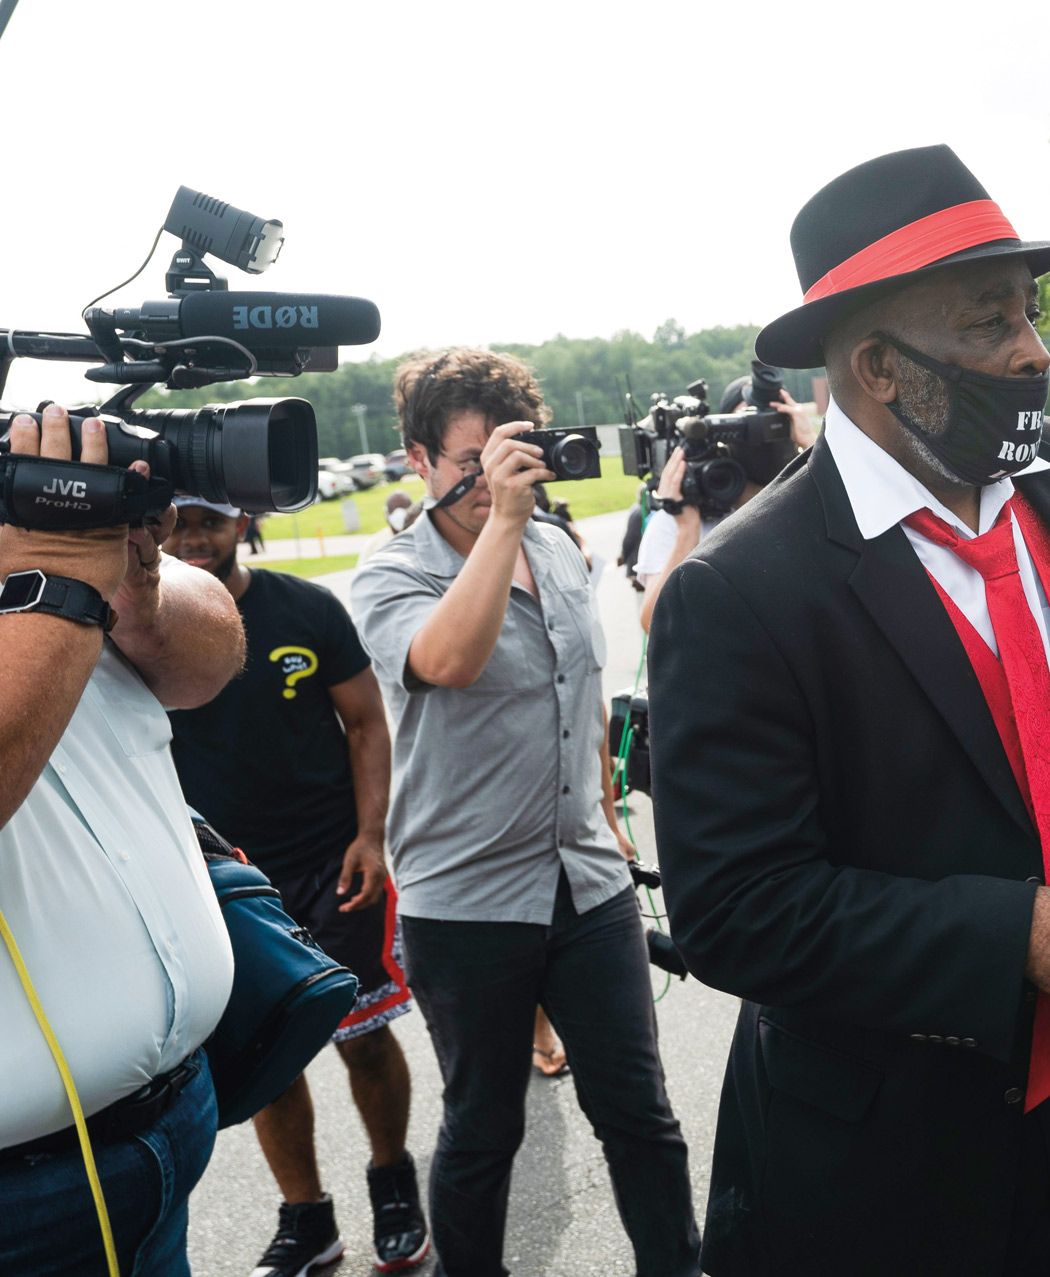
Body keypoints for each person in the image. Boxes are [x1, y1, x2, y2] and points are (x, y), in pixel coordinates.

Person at [649, 144, 1050, 1277]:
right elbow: (736, 907)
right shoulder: (740, 591)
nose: (1034, 353)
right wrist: (1022, 932)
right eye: (990, 324)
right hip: (904, 1152)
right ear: (880, 366)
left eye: (1030, 313)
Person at [351, 348, 700, 1277]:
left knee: (641, 1113)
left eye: (504, 455)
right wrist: (503, 517)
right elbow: (448, 661)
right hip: (464, 899)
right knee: (483, 1128)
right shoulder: (388, 571)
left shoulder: (557, 547)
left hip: (582, 875)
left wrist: (607, 809)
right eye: (466, 460)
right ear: (418, 457)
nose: (486, 478)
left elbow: (576, 687)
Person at [0, 405, 244, 1275]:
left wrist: (135, 591)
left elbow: (208, 659)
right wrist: (61, 574)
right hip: (24, 1192)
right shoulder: (44, 556)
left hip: (170, 1119)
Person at [161, 497, 428, 1276]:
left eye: (209, 520)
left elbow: (368, 723)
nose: (193, 539)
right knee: (268, 1062)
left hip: (332, 861)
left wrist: (371, 835)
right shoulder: (137, 629)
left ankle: (393, 1185)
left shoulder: (305, 607)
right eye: (176, 523)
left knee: (367, 1041)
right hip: (222, 879)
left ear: (242, 522)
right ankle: (308, 1219)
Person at [633, 373, 815, 632]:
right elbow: (653, 622)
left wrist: (813, 447)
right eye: (746, 420)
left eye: (772, 421)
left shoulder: (809, 498)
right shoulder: (679, 519)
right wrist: (687, 531)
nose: (759, 435)